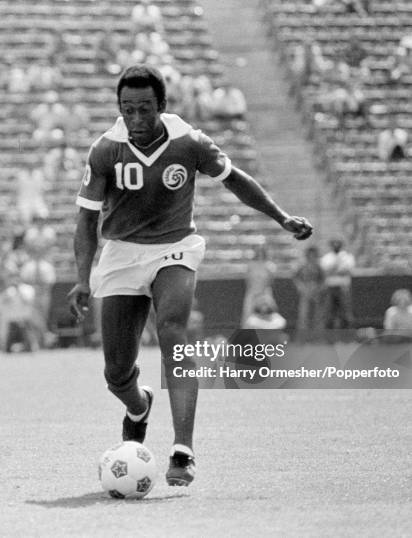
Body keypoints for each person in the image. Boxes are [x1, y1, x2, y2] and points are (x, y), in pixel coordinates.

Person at [66, 64, 313, 487]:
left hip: (174, 248)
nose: (138, 119)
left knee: (173, 332)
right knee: (116, 373)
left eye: (145, 108)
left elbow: (234, 179)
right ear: (120, 109)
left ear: (162, 105)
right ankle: (139, 406)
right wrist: (81, 278)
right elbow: (86, 221)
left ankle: (183, 450)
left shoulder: (189, 143)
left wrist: (282, 217)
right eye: (129, 110)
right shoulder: (105, 150)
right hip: (122, 254)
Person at [320, 238, 355, 330]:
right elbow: (326, 272)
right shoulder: (326, 257)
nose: (336, 245)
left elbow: (346, 271)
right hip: (330, 288)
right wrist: (336, 269)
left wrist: (333, 270)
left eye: (338, 243)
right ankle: (329, 338)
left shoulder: (347, 256)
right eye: (334, 243)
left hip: (343, 287)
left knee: (345, 312)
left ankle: (347, 337)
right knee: (329, 313)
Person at [292, 246, 326, 340]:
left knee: (318, 316)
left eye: (313, 255)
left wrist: (318, 289)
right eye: (310, 254)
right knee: (303, 315)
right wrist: (301, 288)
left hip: (317, 293)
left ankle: (318, 337)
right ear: (307, 255)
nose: (311, 256)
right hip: (305, 292)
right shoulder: (302, 265)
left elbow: (323, 281)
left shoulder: (319, 266)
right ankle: (302, 337)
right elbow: (296, 278)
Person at [241, 243, 277, 326]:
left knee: (265, 314)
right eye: (258, 251)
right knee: (248, 314)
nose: (260, 253)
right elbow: (247, 280)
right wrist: (253, 292)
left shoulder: (270, 265)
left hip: (265, 293)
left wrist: (263, 294)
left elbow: (271, 281)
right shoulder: (250, 265)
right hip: (252, 292)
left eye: (262, 251)